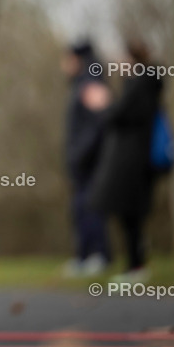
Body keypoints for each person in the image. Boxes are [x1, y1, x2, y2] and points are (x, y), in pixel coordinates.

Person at [88, 39, 165, 282]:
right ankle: (135, 264)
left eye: (122, 59)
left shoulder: (140, 84)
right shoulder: (141, 84)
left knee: (131, 215)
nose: (118, 64)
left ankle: (136, 267)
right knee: (131, 215)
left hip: (133, 161)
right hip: (135, 160)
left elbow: (121, 115)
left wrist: (103, 104)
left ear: (131, 59)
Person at [61, 40, 112, 277]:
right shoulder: (83, 83)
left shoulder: (91, 84)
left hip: (90, 161)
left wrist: (80, 154)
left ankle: (97, 256)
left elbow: (98, 124)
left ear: (77, 59)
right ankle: (86, 256)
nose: (63, 65)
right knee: (82, 209)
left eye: (67, 59)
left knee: (90, 207)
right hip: (83, 160)